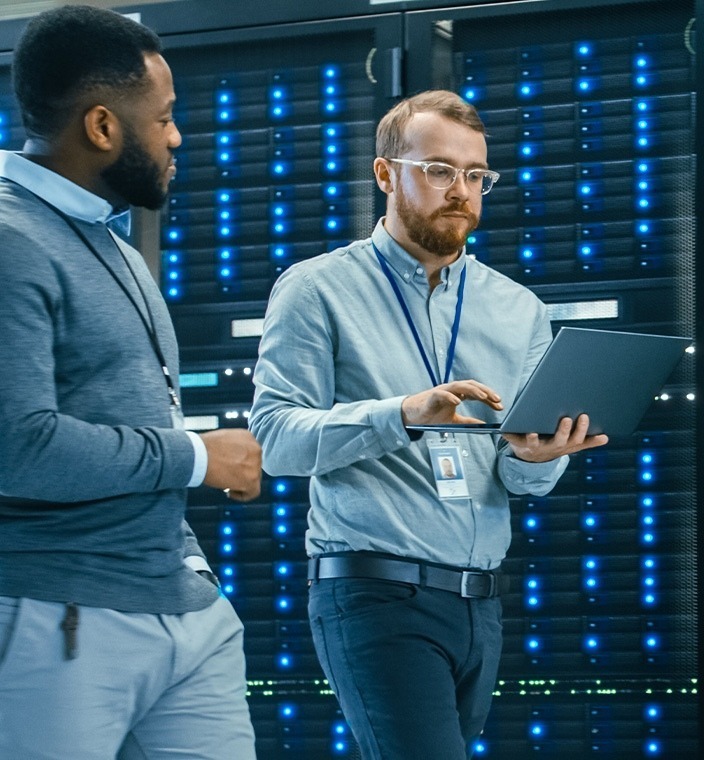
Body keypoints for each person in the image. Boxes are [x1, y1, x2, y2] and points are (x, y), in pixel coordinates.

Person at [249, 89, 608, 759]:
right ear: (386, 174)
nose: (462, 191)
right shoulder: (316, 288)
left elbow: (519, 482)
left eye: (476, 176)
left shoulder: (517, 309)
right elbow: (275, 440)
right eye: (439, 169)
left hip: (480, 604)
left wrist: (539, 456)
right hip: (373, 591)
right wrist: (402, 414)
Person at [0, 6, 262, 759]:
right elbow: (19, 447)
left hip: (180, 610)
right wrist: (199, 457)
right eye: (167, 118)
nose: (177, 138)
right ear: (103, 127)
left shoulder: (100, 233)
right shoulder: (11, 241)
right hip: (61, 616)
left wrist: (193, 569)